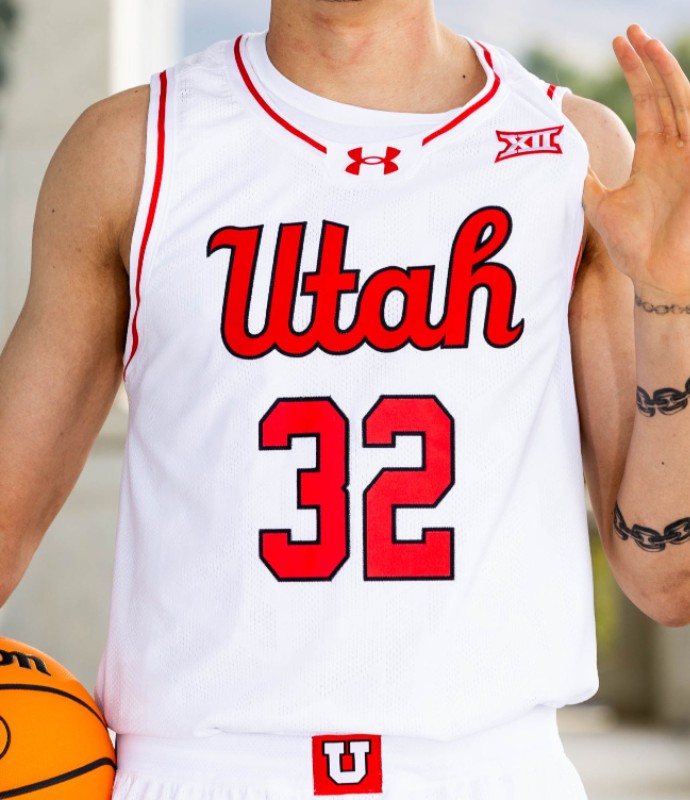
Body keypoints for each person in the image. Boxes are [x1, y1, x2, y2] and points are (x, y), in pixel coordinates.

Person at [1, 0, 689, 797]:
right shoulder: (134, 150)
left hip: (489, 771)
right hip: (204, 773)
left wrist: (671, 301)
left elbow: (668, 580)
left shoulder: (572, 151)